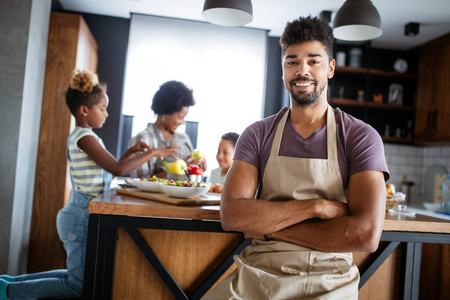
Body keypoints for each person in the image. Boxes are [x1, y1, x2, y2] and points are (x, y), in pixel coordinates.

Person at [204, 16, 389, 299]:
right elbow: (231, 215)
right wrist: (316, 207)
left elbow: (365, 234)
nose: (302, 71)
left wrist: (269, 228)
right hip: (260, 272)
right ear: (283, 70)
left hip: (331, 277)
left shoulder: (360, 137)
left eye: (313, 61)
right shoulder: (257, 134)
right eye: (292, 62)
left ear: (330, 68)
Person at [0, 70, 181, 300]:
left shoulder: (89, 137)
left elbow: (112, 166)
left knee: (74, 277)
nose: (107, 114)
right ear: (84, 110)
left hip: (81, 214)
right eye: (103, 108)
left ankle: (8, 284)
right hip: (79, 216)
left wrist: (130, 152)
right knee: (77, 286)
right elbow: (117, 169)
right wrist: (155, 152)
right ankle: (9, 292)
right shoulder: (84, 137)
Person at [128, 80, 206, 179]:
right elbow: (139, 181)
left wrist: (198, 167)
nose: (182, 122)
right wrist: (182, 168)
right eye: (180, 117)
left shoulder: (184, 138)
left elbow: (190, 177)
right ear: (165, 111)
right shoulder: (144, 139)